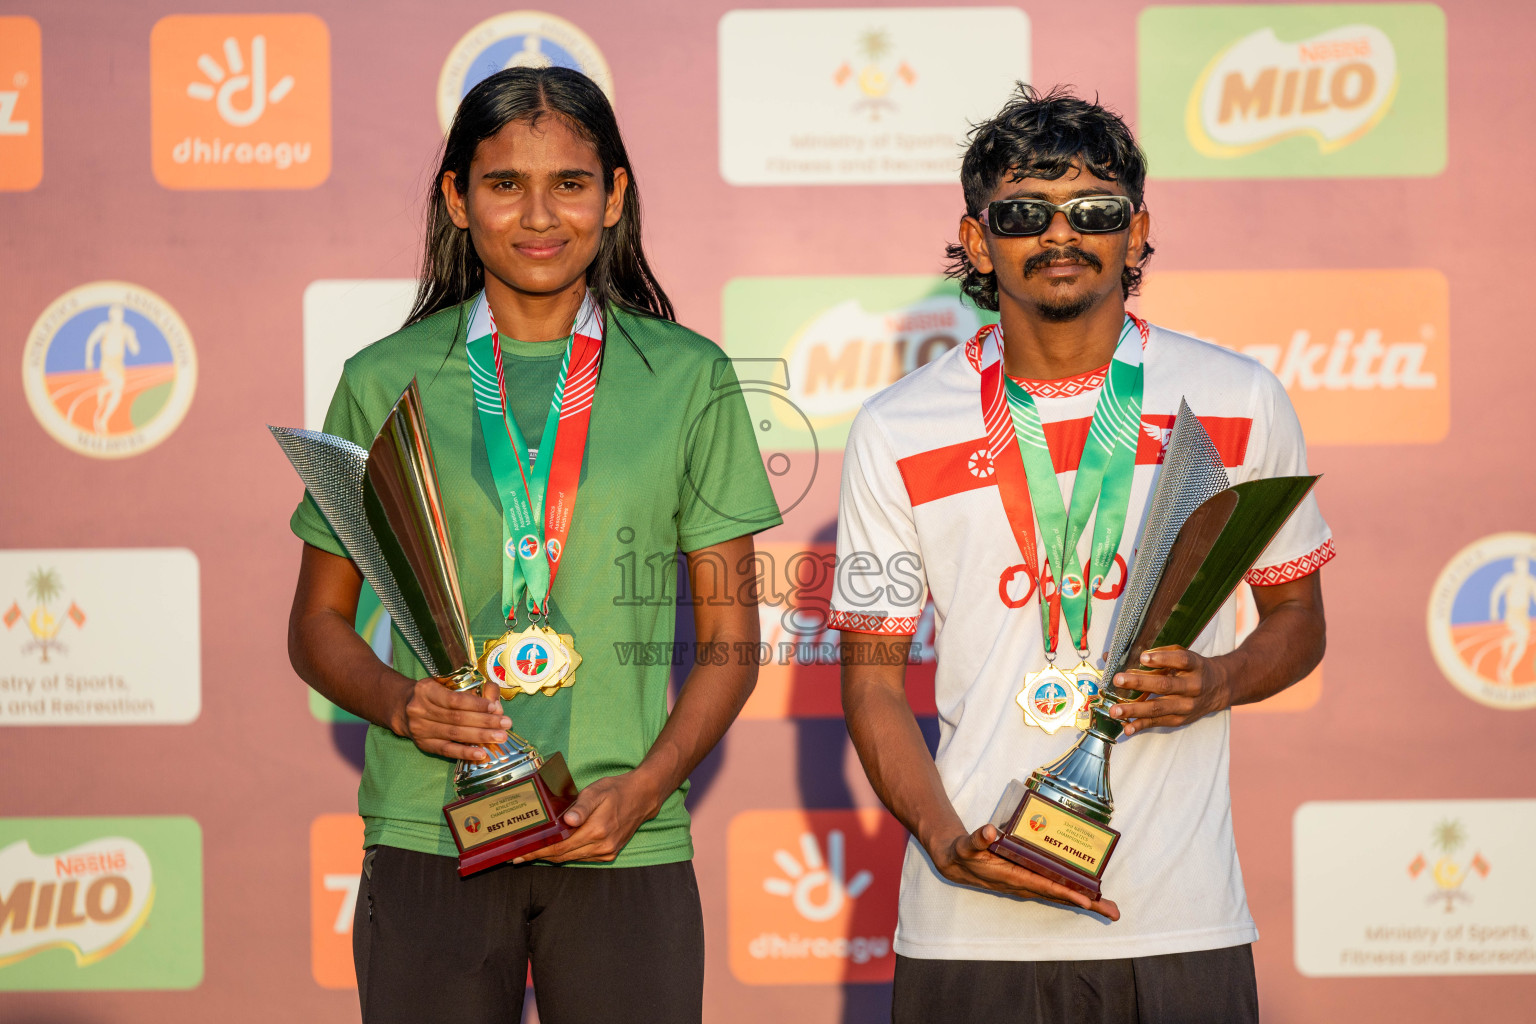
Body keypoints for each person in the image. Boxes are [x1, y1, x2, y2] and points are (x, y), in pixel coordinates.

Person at [286, 67, 782, 1024]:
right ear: (456, 200)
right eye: (504, 183)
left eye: (571, 182)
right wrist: (403, 703)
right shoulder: (386, 377)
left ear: (616, 196)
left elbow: (731, 644)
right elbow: (316, 626)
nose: (539, 214)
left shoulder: (688, 376)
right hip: (432, 832)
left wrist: (645, 788)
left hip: (621, 838)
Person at [831, 85, 1332, 1023]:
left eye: (1095, 212)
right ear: (979, 242)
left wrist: (1218, 681)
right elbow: (870, 681)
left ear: (1137, 233)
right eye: (1025, 213)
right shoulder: (895, 428)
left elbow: (1298, 623)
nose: (1061, 236)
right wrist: (945, 841)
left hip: (1177, 920)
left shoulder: (1237, 400)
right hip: (966, 921)